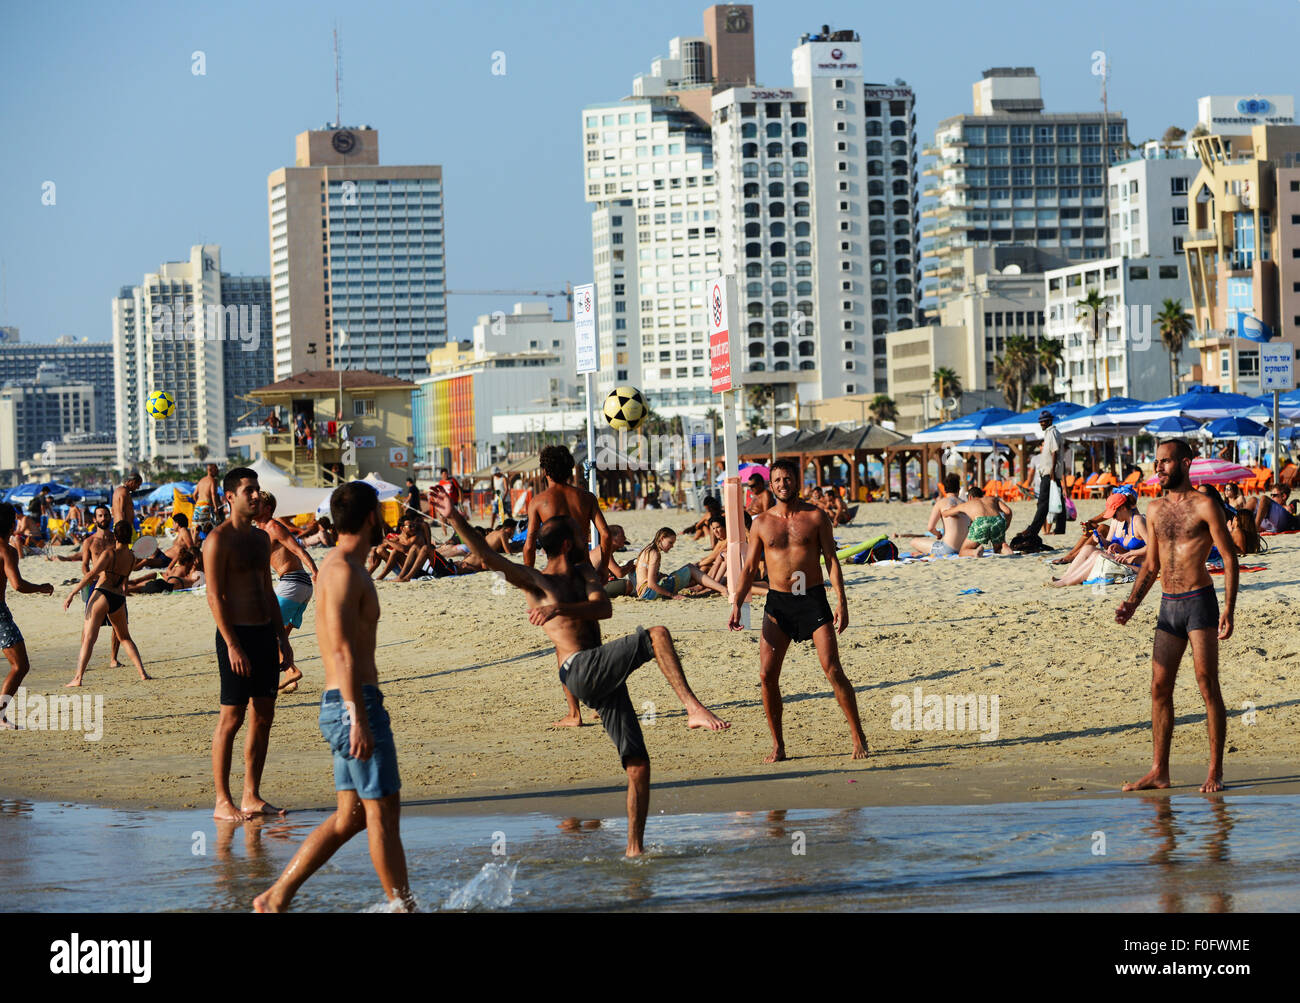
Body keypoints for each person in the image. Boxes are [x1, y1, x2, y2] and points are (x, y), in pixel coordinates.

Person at [430, 486, 728, 857]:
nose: (585, 535)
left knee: (637, 764)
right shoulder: (536, 580)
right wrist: (454, 517)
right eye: (579, 532)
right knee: (657, 634)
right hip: (577, 669)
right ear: (569, 544)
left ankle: (634, 850)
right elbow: (488, 556)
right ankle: (693, 709)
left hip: (600, 671)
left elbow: (604, 610)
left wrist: (562, 611)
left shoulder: (584, 571)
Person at [254, 482, 414, 912]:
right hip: (352, 704)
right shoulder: (342, 570)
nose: (386, 521)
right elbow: (341, 650)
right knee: (383, 816)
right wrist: (357, 716)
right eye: (382, 514)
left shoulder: (341, 566)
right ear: (368, 519)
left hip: (348, 704)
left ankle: (276, 896)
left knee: (351, 818)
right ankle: (404, 908)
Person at [1115, 440, 1238, 794]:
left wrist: (1228, 607)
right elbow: (1151, 565)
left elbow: (1229, 558)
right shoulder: (1153, 510)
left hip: (1200, 603)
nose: (1159, 468)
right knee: (1159, 687)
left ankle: (1215, 771)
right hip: (1169, 606)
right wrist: (1132, 603)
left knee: (1206, 683)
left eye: (1166, 462)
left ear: (1185, 463)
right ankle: (1159, 771)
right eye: (1156, 462)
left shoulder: (1205, 505)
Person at [729, 457, 868, 763]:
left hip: (813, 599)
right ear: (771, 484)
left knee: (832, 669)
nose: (782, 484)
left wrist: (841, 601)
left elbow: (831, 559)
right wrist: (737, 602)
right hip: (779, 603)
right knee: (766, 675)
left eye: (787, 479)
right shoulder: (761, 522)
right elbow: (750, 567)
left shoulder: (816, 516)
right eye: (777, 480)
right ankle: (778, 745)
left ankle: (858, 736)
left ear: (797, 480)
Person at [203, 467, 294, 821]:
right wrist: (232, 645)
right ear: (230, 497)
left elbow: (267, 590)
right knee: (232, 717)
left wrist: (281, 638)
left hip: (262, 634)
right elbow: (214, 596)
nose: (256, 496)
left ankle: (251, 795)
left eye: (257, 490)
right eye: (249, 491)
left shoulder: (260, 539)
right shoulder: (217, 540)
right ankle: (222, 801)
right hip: (235, 636)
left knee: (264, 716)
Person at [523, 445, 614, 727]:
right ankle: (600, 703)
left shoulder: (539, 501)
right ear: (571, 468)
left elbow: (529, 546)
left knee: (563, 644)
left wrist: (531, 581)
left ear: (545, 471)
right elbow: (606, 535)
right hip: (584, 569)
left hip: (558, 575)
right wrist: (601, 570)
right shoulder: (586, 497)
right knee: (592, 638)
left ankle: (574, 713)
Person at [63, 520, 150, 686]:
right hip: (118, 598)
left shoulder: (110, 553)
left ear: (115, 536)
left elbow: (91, 575)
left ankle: (78, 678)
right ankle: (142, 672)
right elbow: (124, 581)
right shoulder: (132, 557)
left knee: (89, 638)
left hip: (102, 594)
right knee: (125, 638)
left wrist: (72, 593)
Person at [254, 492, 318, 694]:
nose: (253, 506)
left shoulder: (273, 526)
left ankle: (291, 671)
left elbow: (298, 550)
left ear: (268, 509)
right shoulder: (260, 530)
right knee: (281, 636)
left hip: (293, 582)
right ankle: (290, 679)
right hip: (298, 585)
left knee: (269, 632)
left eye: (258, 504)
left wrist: (315, 571)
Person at [0, 504, 56, 728]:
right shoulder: (7, 550)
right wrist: (40, 588)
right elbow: (17, 585)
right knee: (20, 665)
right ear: (11, 524)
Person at [1049, 486, 1145, 587]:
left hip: (1139, 567)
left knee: (1097, 555)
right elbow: (1114, 548)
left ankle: (1067, 582)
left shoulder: (1138, 521)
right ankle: (1066, 577)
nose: (1113, 518)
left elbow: (1153, 548)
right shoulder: (1125, 522)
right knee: (1088, 548)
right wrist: (1102, 540)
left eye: (1114, 515)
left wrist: (1129, 553)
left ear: (1123, 508)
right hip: (1124, 562)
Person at [633, 527, 728, 600]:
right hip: (649, 593)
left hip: (643, 592)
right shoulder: (655, 554)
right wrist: (672, 595)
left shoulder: (647, 550)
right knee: (690, 568)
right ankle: (722, 589)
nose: (672, 546)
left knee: (690, 569)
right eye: (670, 543)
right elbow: (651, 584)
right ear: (662, 538)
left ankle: (713, 588)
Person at [1023, 411, 1066, 538]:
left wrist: (1052, 471)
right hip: (1051, 473)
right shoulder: (1052, 432)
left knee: (1042, 503)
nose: (1042, 423)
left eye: (1044, 421)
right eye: (1041, 421)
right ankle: (1060, 528)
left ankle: (1033, 530)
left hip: (1049, 473)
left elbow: (1054, 452)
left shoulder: (1051, 432)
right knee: (1058, 500)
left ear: (1049, 421)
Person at [907, 473, 970, 557]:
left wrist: (938, 534)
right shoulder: (965, 504)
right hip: (963, 547)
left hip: (948, 548)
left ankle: (925, 552)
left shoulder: (941, 503)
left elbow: (930, 528)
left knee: (913, 541)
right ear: (958, 489)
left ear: (944, 489)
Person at [954, 487, 1014, 556]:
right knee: (998, 549)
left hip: (981, 522)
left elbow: (947, 513)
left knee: (963, 551)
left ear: (970, 497)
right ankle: (1005, 548)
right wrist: (1005, 527)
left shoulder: (968, 503)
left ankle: (975, 552)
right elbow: (1008, 512)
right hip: (997, 520)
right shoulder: (992, 499)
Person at [112, 471, 141, 540]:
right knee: (133, 549)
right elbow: (121, 510)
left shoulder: (122, 491)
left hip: (125, 526)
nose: (137, 488)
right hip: (123, 527)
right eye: (138, 485)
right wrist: (123, 529)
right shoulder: (123, 491)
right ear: (132, 482)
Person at [194, 464, 221, 530]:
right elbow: (213, 494)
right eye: (216, 470)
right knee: (213, 527)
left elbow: (194, 495)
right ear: (211, 471)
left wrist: (198, 504)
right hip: (207, 505)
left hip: (198, 506)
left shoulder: (201, 481)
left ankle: (195, 540)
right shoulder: (213, 481)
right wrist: (216, 507)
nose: (218, 471)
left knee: (197, 529)